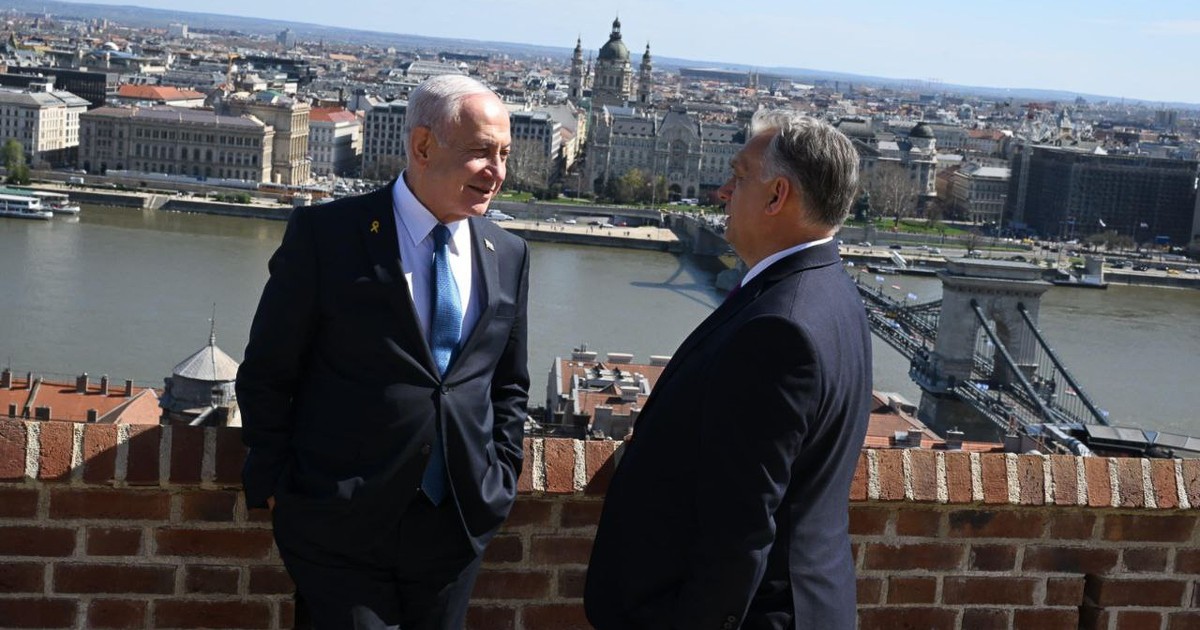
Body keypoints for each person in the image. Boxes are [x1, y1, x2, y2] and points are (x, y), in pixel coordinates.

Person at [237, 74, 529, 630]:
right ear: (422, 146)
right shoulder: (328, 235)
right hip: (339, 522)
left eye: (504, 154)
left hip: (455, 523)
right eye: (480, 152)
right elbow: (269, 370)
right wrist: (278, 485)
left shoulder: (508, 253)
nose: (497, 171)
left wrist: (500, 477)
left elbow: (508, 383)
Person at [584, 109, 872, 630]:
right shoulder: (832, 294)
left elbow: (740, 530)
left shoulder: (779, 329)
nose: (722, 192)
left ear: (777, 196)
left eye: (739, 177)